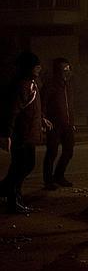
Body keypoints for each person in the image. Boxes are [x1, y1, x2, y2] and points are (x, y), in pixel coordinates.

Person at [0, 51, 52, 213]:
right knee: (22, 166)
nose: (39, 68)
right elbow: (12, 111)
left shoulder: (32, 83)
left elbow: (32, 107)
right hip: (21, 133)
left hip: (28, 132)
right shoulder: (22, 84)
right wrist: (6, 134)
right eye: (36, 65)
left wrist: (42, 118)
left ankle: (13, 195)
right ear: (27, 67)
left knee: (24, 165)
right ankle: (11, 197)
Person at [42, 58, 76, 190]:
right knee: (52, 152)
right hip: (54, 125)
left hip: (67, 125)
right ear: (58, 71)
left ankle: (59, 175)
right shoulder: (50, 85)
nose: (67, 72)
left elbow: (70, 105)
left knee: (69, 151)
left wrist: (71, 122)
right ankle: (48, 180)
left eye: (68, 68)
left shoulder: (68, 85)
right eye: (64, 69)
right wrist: (43, 118)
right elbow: (43, 104)